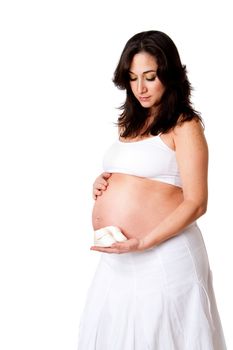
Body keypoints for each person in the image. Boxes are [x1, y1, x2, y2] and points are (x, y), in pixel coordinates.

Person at [77, 30, 227, 349]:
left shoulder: (184, 126)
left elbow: (197, 202)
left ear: (169, 74)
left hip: (164, 256)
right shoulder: (130, 122)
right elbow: (136, 172)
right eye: (132, 78)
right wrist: (104, 182)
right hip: (119, 260)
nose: (140, 88)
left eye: (150, 76)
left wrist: (144, 241)